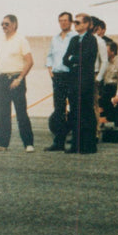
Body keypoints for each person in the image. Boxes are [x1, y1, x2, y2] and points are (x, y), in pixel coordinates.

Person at [0, 15, 35, 153]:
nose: (4, 26)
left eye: (7, 24)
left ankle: (28, 143)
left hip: (17, 78)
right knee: (3, 112)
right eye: (2, 24)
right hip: (3, 78)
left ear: (14, 24)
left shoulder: (21, 40)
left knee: (21, 112)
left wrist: (19, 78)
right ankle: (2, 143)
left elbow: (29, 61)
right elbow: (0, 57)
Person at [62, 13, 99, 154]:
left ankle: (88, 146)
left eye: (77, 22)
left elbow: (86, 58)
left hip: (86, 81)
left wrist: (74, 58)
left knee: (87, 113)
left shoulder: (91, 40)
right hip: (74, 80)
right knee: (74, 113)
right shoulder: (74, 40)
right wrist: (74, 59)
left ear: (86, 24)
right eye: (74, 23)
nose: (75, 25)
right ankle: (76, 145)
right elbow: (65, 59)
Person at [44, 12, 76, 151]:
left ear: (71, 22)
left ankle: (75, 141)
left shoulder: (75, 37)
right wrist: (50, 70)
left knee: (74, 109)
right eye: (60, 20)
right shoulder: (55, 39)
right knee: (58, 110)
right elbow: (49, 56)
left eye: (65, 20)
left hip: (71, 76)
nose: (63, 23)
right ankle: (58, 142)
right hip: (57, 76)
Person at [100, 41, 118, 127]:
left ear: (113, 52)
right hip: (106, 88)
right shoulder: (103, 62)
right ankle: (110, 116)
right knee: (103, 99)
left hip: (117, 87)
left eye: (106, 51)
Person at [90, 17, 108, 123]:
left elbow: (104, 61)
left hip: (93, 74)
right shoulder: (80, 39)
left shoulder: (100, 42)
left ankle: (95, 132)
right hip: (82, 75)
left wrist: (98, 78)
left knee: (94, 104)